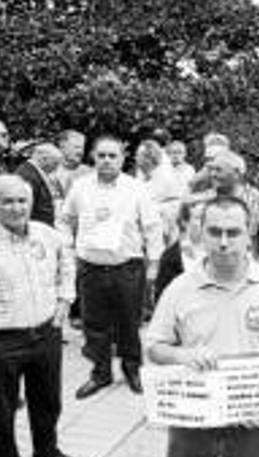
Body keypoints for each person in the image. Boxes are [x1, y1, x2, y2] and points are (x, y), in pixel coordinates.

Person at [146, 196, 259, 457]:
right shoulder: (180, 288)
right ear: (201, 232)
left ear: (248, 234)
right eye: (215, 232)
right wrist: (183, 354)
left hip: (252, 421)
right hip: (193, 417)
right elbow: (154, 347)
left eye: (233, 233)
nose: (223, 242)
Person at [0, 175, 80, 457]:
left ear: (30, 203)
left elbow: (67, 264)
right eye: (7, 201)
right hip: (3, 341)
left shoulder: (47, 235)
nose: (16, 208)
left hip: (45, 333)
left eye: (22, 201)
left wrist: (64, 301)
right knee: (1, 413)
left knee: (48, 401)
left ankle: (46, 454)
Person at [60, 135, 163, 399]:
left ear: (122, 158)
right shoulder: (81, 186)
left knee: (129, 322)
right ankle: (100, 373)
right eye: (101, 155)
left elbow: (152, 227)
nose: (106, 160)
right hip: (91, 267)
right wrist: (68, 249)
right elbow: (65, 219)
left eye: (112, 156)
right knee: (94, 324)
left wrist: (154, 264)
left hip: (127, 267)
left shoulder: (136, 188)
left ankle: (133, 369)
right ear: (93, 157)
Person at [194, 148, 259, 264]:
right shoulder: (204, 200)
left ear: (237, 173)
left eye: (218, 170)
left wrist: (254, 269)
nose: (213, 174)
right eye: (212, 170)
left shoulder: (258, 201)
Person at [15, 143, 64, 226]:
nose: (56, 168)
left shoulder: (32, 171)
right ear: (43, 159)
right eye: (55, 163)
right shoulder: (27, 174)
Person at [54, 130, 90, 198]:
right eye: (76, 147)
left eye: (82, 148)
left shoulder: (89, 173)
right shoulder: (50, 172)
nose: (80, 152)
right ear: (62, 147)